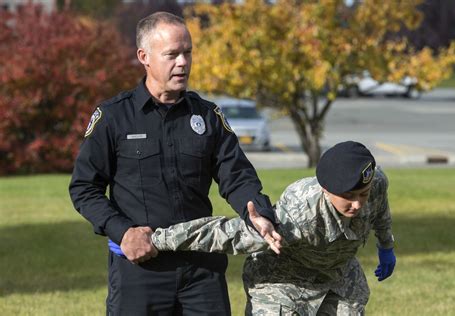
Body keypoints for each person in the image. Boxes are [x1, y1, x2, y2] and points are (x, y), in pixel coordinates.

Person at [69, 11, 281, 315]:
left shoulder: (207, 116)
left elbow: (237, 176)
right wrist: (123, 232)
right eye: (172, 54)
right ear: (144, 56)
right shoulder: (114, 117)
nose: (183, 62)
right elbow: (84, 188)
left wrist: (258, 213)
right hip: (141, 270)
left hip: (202, 268)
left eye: (188, 52)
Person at [151, 141, 397, 315]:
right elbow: (227, 234)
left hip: (337, 277)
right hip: (281, 281)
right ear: (326, 189)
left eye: (362, 194)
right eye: (348, 196)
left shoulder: (375, 183)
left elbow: (380, 212)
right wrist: (158, 239)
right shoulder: (297, 217)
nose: (357, 204)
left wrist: (386, 246)